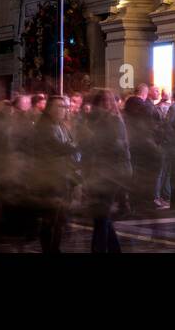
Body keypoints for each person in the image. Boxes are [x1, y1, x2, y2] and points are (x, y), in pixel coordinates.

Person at [80, 90, 131, 253]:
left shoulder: (114, 121)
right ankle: (114, 249)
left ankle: (99, 249)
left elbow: (119, 147)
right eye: (102, 101)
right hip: (96, 171)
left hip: (111, 172)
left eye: (108, 101)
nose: (106, 104)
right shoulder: (91, 121)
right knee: (101, 215)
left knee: (101, 214)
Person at [31, 96, 79, 253]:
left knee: (59, 219)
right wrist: (75, 147)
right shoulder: (45, 126)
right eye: (60, 106)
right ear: (50, 108)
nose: (64, 110)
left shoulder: (61, 125)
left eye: (66, 106)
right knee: (51, 218)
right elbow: (58, 147)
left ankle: (54, 248)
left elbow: (69, 145)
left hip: (62, 175)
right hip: (50, 178)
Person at [122, 84, 164, 210]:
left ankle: (136, 200)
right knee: (151, 170)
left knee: (137, 172)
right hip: (144, 143)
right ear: (145, 93)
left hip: (133, 143)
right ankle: (146, 199)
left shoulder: (128, 107)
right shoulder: (144, 106)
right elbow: (152, 124)